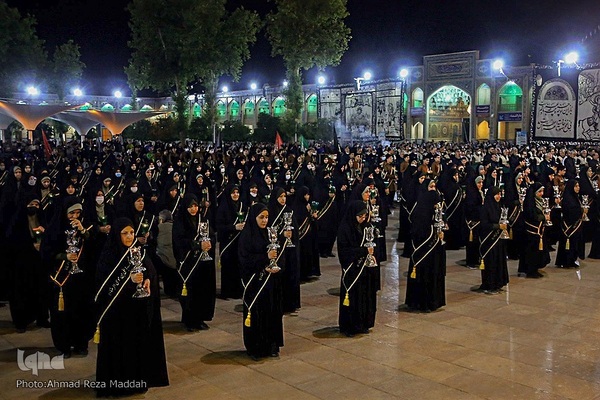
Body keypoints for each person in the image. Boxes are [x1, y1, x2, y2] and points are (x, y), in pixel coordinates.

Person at [94, 217, 169, 397]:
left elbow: (150, 270)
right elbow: (104, 286)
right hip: (117, 314)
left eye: (132, 233)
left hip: (136, 311)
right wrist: (129, 281)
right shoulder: (109, 255)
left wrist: (148, 280)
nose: (129, 237)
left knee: (136, 347)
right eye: (125, 233)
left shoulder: (139, 251)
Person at [42, 197, 95, 358]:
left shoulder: (83, 228)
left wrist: (83, 231)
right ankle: (63, 345)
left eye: (78, 213)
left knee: (81, 311)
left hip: (80, 279)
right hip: (61, 278)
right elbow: (46, 251)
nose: (75, 216)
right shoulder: (54, 229)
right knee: (62, 314)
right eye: (72, 213)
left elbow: (93, 248)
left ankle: (81, 343)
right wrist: (64, 256)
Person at [238, 203, 284, 360]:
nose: (265, 221)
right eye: (261, 217)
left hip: (269, 282)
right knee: (257, 314)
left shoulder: (269, 234)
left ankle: (271, 344)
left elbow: (276, 253)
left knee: (271, 312)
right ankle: (255, 347)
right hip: (255, 282)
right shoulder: (247, 236)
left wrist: (275, 261)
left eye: (266, 217)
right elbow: (245, 260)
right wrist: (265, 259)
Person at [172, 194, 216, 331]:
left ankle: (200, 318)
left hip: (202, 262)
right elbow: (179, 241)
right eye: (190, 206)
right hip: (189, 262)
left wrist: (209, 243)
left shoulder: (202, 220)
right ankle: (190, 319)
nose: (193, 209)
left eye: (196, 206)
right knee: (190, 292)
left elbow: (212, 235)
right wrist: (197, 245)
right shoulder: (180, 221)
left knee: (202, 291)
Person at [336, 200, 377, 336]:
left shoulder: (365, 227)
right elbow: (345, 252)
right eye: (360, 216)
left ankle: (363, 323)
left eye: (364, 216)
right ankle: (350, 326)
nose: (363, 218)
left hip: (363, 269)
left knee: (364, 296)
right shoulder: (345, 229)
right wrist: (363, 251)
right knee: (352, 297)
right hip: (352, 268)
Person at [404, 179, 446, 312]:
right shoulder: (420, 211)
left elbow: (438, 222)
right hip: (423, 251)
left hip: (434, 251)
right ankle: (421, 302)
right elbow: (419, 231)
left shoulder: (433, 210)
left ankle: (433, 301)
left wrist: (440, 231)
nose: (437, 207)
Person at [215, 184, 246, 299]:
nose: (235, 195)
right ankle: (228, 291)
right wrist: (234, 227)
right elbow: (219, 226)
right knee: (228, 267)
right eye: (233, 193)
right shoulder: (223, 208)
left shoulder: (242, 206)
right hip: (227, 242)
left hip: (239, 242)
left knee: (239, 267)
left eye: (237, 192)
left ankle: (238, 291)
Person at [478, 186, 509, 293]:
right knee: (491, 262)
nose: (498, 196)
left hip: (499, 239)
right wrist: (497, 227)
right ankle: (489, 284)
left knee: (499, 261)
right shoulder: (485, 208)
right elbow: (484, 224)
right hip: (489, 240)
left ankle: (498, 282)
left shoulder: (499, 207)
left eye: (500, 194)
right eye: (496, 194)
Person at [519, 183, 551, 277]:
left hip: (538, 231)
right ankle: (530, 271)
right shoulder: (529, 202)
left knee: (537, 251)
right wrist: (542, 217)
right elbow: (530, 215)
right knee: (531, 252)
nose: (541, 194)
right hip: (531, 231)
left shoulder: (540, 201)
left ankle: (535, 268)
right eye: (539, 192)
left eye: (542, 191)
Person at [555, 180, 584, 268]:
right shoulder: (568, 199)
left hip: (574, 223)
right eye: (576, 186)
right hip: (569, 224)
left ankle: (572, 260)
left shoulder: (575, 197)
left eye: (578, 186)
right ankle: (566, 261)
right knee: (568, 243)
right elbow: (570, 211)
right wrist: (581, 211)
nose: (578, 188)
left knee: (574, 243)